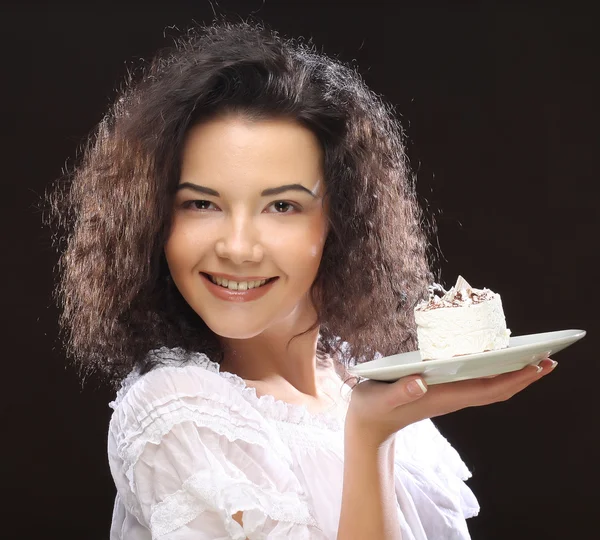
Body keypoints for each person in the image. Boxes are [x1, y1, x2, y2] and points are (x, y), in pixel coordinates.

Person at [45, 21, 556, 540]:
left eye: (282, 205)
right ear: (156, 216)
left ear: (342, 220)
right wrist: (371, 438)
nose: (238, 247)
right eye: (202, 204)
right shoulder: (175, 411)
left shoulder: (356, 375)